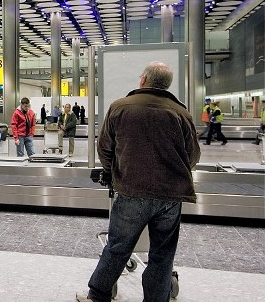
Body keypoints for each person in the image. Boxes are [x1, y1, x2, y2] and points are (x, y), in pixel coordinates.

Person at [76, 62, 200, 302]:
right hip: (170, 196)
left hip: (132, 189)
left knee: (118, 246)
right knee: (163, 253)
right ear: (167, 85)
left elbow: (105, 148)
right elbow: (193, 155)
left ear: (143, 80)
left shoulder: (120, 107)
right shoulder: (181, 113)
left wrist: (113, 172)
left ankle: (98, 295)